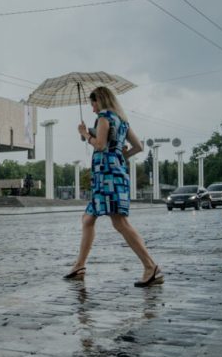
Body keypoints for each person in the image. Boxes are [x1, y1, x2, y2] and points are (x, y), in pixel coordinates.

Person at [64, 86, 162, 287]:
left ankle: (151, 266)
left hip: (107, 176)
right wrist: (120, 155)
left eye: (93, 104)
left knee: (120, 222)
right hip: (111, 175)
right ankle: (79, 266)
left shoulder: (103, 118)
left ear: (99, 101)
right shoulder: (122, 120)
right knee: (88, 218)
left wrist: (85, 134)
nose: (92, 109)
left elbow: (100, 145)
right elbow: (138, 147)